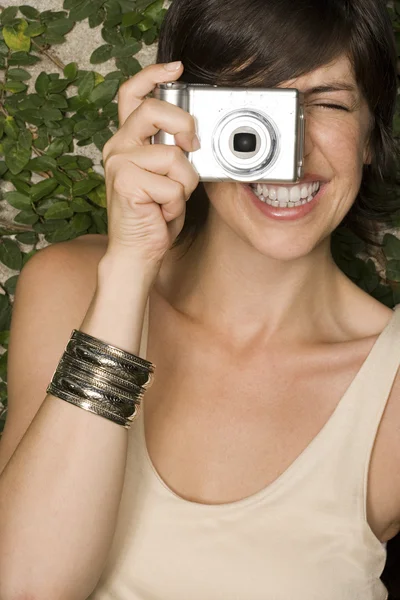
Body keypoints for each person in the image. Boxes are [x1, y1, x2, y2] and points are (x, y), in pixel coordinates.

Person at [0, 0, 399, 598]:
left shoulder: (390, 384)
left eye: (328, 104)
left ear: (371, 137)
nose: (287, 148)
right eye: (255, 106)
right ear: (179, 120)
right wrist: (131, 268)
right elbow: (28, 586)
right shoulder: (70, 285)